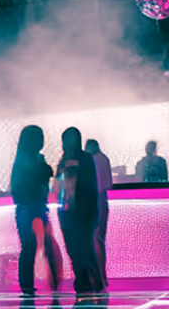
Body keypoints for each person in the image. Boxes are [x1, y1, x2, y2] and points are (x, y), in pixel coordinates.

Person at [10, 126, 60, 295]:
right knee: (33, 247)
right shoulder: (29, 160)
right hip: (30, 207)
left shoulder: (25, 159)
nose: (42, 141)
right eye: (39, 138)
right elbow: (44, 173)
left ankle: (29, 286)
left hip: (30, 208)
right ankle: (32, 286)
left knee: (32, 247)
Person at [56, 127, 102, 294]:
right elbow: (58, 187)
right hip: (68, 211)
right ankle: (86, 281)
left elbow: (90, 187)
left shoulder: (84, 159)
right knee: (75, 248)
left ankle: (87, 281)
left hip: (82, 212)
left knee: (82, 248)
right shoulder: (66, 160)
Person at [84, 139, 112, 290]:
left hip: (95, 202)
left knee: (94, 240)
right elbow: (108, 185)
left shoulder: (92, 160)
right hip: (102, 202)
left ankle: (97, 276)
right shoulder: (104, 159)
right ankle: (101, 276)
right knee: (99, 240)